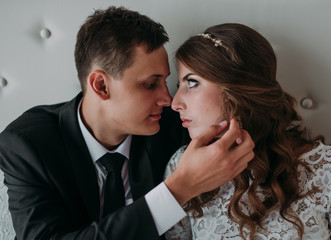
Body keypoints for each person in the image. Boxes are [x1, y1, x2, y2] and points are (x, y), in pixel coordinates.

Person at [0, 7, 255, 240]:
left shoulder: (176, 125)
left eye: (166, 81)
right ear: (101, 86)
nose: (168, 99)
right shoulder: (27, 145)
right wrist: (178, 189)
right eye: (150, 84)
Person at [164, 23, 331, 239]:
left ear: (237, 89)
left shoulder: (330, 166)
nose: (175, 103)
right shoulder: (181, 166)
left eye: (191, 83)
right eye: (179, 84)